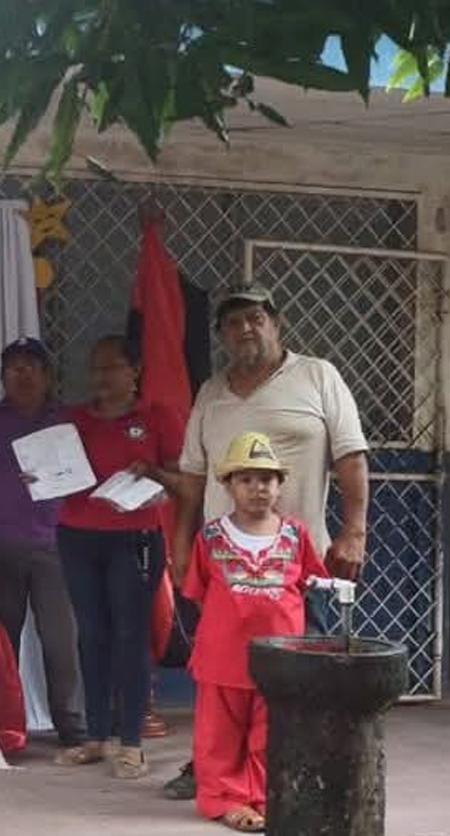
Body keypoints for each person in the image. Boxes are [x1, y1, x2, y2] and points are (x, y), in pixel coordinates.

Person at [163, 282, 369, 800]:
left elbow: (351, 460)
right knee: (223, 678)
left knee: (308, 675)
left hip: (301, 565)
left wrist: (355, 529)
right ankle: (216, 770)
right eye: (233, 322)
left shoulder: (318, 376)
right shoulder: (211, 392)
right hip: (225, 563)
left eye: (255, 317)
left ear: (276, 322)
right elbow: (191, 477)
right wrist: (181, 545)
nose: (245, 329)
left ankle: (299, 774)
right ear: (222, 335)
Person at [181, 432, 328, 832]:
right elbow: (198, 593)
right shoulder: (210, 537)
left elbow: (310, 585)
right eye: (246, 479)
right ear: (228, 485)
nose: (257, 488)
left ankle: (264, 797)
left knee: (272, 732)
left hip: (281, 658)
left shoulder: (296, 536)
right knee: (218, 736)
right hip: (223, 657)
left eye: (266, 479)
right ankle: (225, 801)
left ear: (280, 485)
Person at [55, 336, 184, 779]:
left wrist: (151, 475)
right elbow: (55, 474)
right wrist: (38, 474)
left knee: (131, 636)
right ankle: (95, 737)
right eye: (96, 368)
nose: (102, 378)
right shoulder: (73, 420)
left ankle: (131, 741)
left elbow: (180, 482)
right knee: (91, 635)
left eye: (112, 368)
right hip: (77, 536)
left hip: (135, 539)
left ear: (135, 371)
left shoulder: (155, 418)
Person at [0, 337, 87, 753]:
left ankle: (72, 727)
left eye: (32, 366)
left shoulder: (65, 422)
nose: (23, 374)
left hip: (56, 549)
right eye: (14, 367)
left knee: (61, 642)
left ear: (47, 376)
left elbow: (85, 478)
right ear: (1, 377)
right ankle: (0, 727)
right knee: (0, 643)